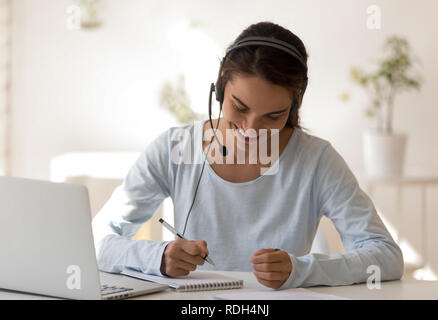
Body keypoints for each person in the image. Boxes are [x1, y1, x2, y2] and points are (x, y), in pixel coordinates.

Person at [92, 21, 404, 290]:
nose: (251, 129)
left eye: (273, 115)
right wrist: (157, 257)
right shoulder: (175, 148)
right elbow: (97, 240)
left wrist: (302, 270)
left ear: (293, 108)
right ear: (219, 90)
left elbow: (385, 256)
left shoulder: (316, 160)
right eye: (239, 108)